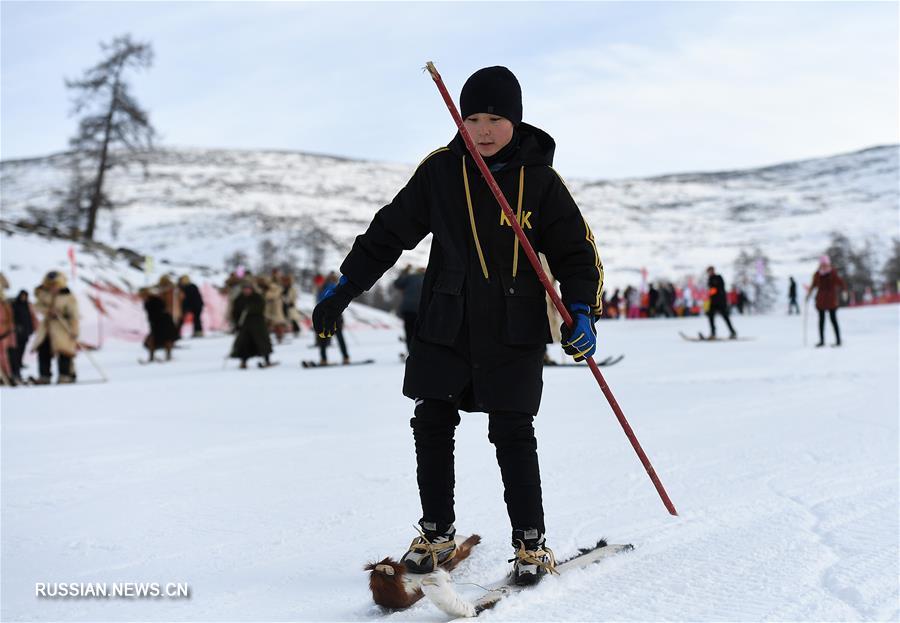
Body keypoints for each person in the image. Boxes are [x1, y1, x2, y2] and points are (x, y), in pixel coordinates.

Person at [312, 66, 603, 586]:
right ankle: (437, 531)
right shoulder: (441, 172)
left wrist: (581, 309)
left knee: (512, 429)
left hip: (512, 325)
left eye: (495, 118)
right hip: (446, 319)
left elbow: (577, 255)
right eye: (472, 118)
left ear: (515, 119)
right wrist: (345, 287)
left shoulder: (540, 180)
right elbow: (388, 232)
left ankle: (531, 542)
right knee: (431, 421)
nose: (484, 129)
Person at [32, 271, 80, 384]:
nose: (53, 287)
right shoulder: (44, 294)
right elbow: (37, 306)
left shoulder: (68, 297)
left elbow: (74, 316)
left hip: (63, 328)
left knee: (64, 352)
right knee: (43, 350)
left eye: (55, 284)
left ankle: (65, 375)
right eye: (51, 285)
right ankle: (44, 376)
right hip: (47, 328)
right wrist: (47, 311)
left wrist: (74, 330)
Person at [230, 279, 273, 368]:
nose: (246, 291)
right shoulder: (239, 299)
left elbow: (261, 308)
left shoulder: (257, 297)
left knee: (262, 342)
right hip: (245, 325)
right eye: (245, 289)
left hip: (258, 324)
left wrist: (250, 309)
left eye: (248, 289)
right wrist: (236, 323)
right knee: (243, 343)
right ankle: (243, 361)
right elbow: (235, 312)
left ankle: (267, 360)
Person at [807, 256, 845, 347]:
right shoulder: (817, 274)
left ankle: (838, 340)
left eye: (825, 264)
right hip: (821, 300)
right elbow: (813, 285)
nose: (824, 266)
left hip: (831, 300)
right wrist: (808, 294)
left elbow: (841, 283)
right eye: (822, 264)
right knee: (821, 321)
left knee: (833, 320)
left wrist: (844, 291)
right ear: (820, 265)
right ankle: (821, 341)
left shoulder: (833, 273)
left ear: (828, 264)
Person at [315, 272, 351, 365]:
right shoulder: (328, 287)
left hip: (329, 314)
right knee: (333, 337)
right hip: (331, 314)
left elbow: (323, 300)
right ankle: (343, 357)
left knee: (329, 337)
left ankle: (327, 359)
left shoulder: (326, 287)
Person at [139, 287, 178, 362]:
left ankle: (167, 356)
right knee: (153, 341)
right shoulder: (147, 302)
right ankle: (152, 357)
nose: (141, 297)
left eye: (142, 295)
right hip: (156, 323)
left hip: (164, 322)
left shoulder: (155, 300)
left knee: (166, 339)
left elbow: (162, 309)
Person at [393, 265, 425, 350]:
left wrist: (404, 272)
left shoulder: (410, 277)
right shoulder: (427, 280)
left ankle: (410, 352)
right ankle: (418, 353)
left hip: (408, 309)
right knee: (420, 331)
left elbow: (397, 283)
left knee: (409, 331)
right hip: (421, 310)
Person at [11, 289, 38, 382]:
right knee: (16, 351)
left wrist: (32, 328)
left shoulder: (27, 306)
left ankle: (19, 363)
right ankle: (16, 368)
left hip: (25, 332)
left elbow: (31, 318)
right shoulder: (15, 305)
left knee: (22, 349)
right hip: (17, 333)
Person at [705, 266, 737, 339]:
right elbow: (711, 291)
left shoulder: (718, 277)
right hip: (713, 302)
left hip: (721, 301)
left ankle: (733, 332)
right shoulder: (710, 279)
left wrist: (713, 290)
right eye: (708, 271)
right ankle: (713, 333)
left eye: (710, 271)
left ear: (713, 270)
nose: (709, 273)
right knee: (711, 317)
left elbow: (719, 288)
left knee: (725, 317)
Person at [0, 274, 16, 385]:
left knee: (2, 354)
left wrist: (7, 331)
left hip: (3, 333)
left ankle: (6, 375)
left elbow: (9, 319)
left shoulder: (4, 305)